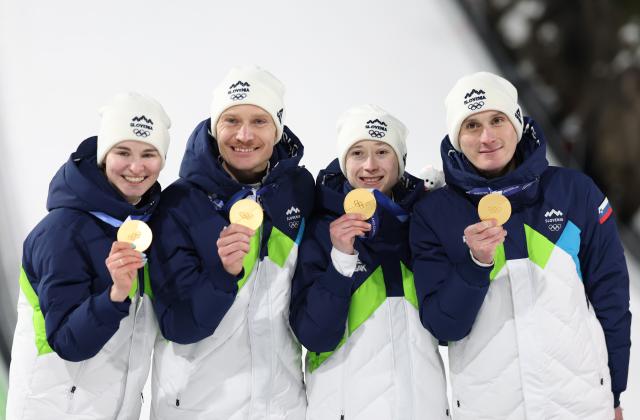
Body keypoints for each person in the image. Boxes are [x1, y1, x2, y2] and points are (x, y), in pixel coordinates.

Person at [410, 71, 631, 420]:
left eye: (497, 119)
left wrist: (615, 393)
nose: (487, 137)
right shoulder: (433, 213)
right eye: (471, 125)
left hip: (581, 406)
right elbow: (444, 327)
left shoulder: (574, 192)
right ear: (456, 137)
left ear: (517, 123)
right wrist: (475, 265)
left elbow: (612, 299)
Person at [148, 66, 314, 419]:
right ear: (214, 127)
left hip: (280, 406)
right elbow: (178, 325)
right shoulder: (179, 204)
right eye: (231, 120)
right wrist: (223, 274)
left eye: (259, 121)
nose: (244, 134)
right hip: (198, 407)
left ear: (278, 129)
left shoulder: (298, 189)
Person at [6, 92, 171, 419]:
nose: (136, 167)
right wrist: (115, 295)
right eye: (123, 152)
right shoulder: (63, 232)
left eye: (148, 153)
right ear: (103, 155)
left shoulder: (146, 228)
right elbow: (69, 342)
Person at [290, 105, 450, 420]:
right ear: (343, 161)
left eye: (382, 152)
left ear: (401, 160)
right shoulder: (323, 227)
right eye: (357, 153)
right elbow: (314, 335)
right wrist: (341, 259)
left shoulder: (421, 223)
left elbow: (448, 329)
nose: (370, 165)